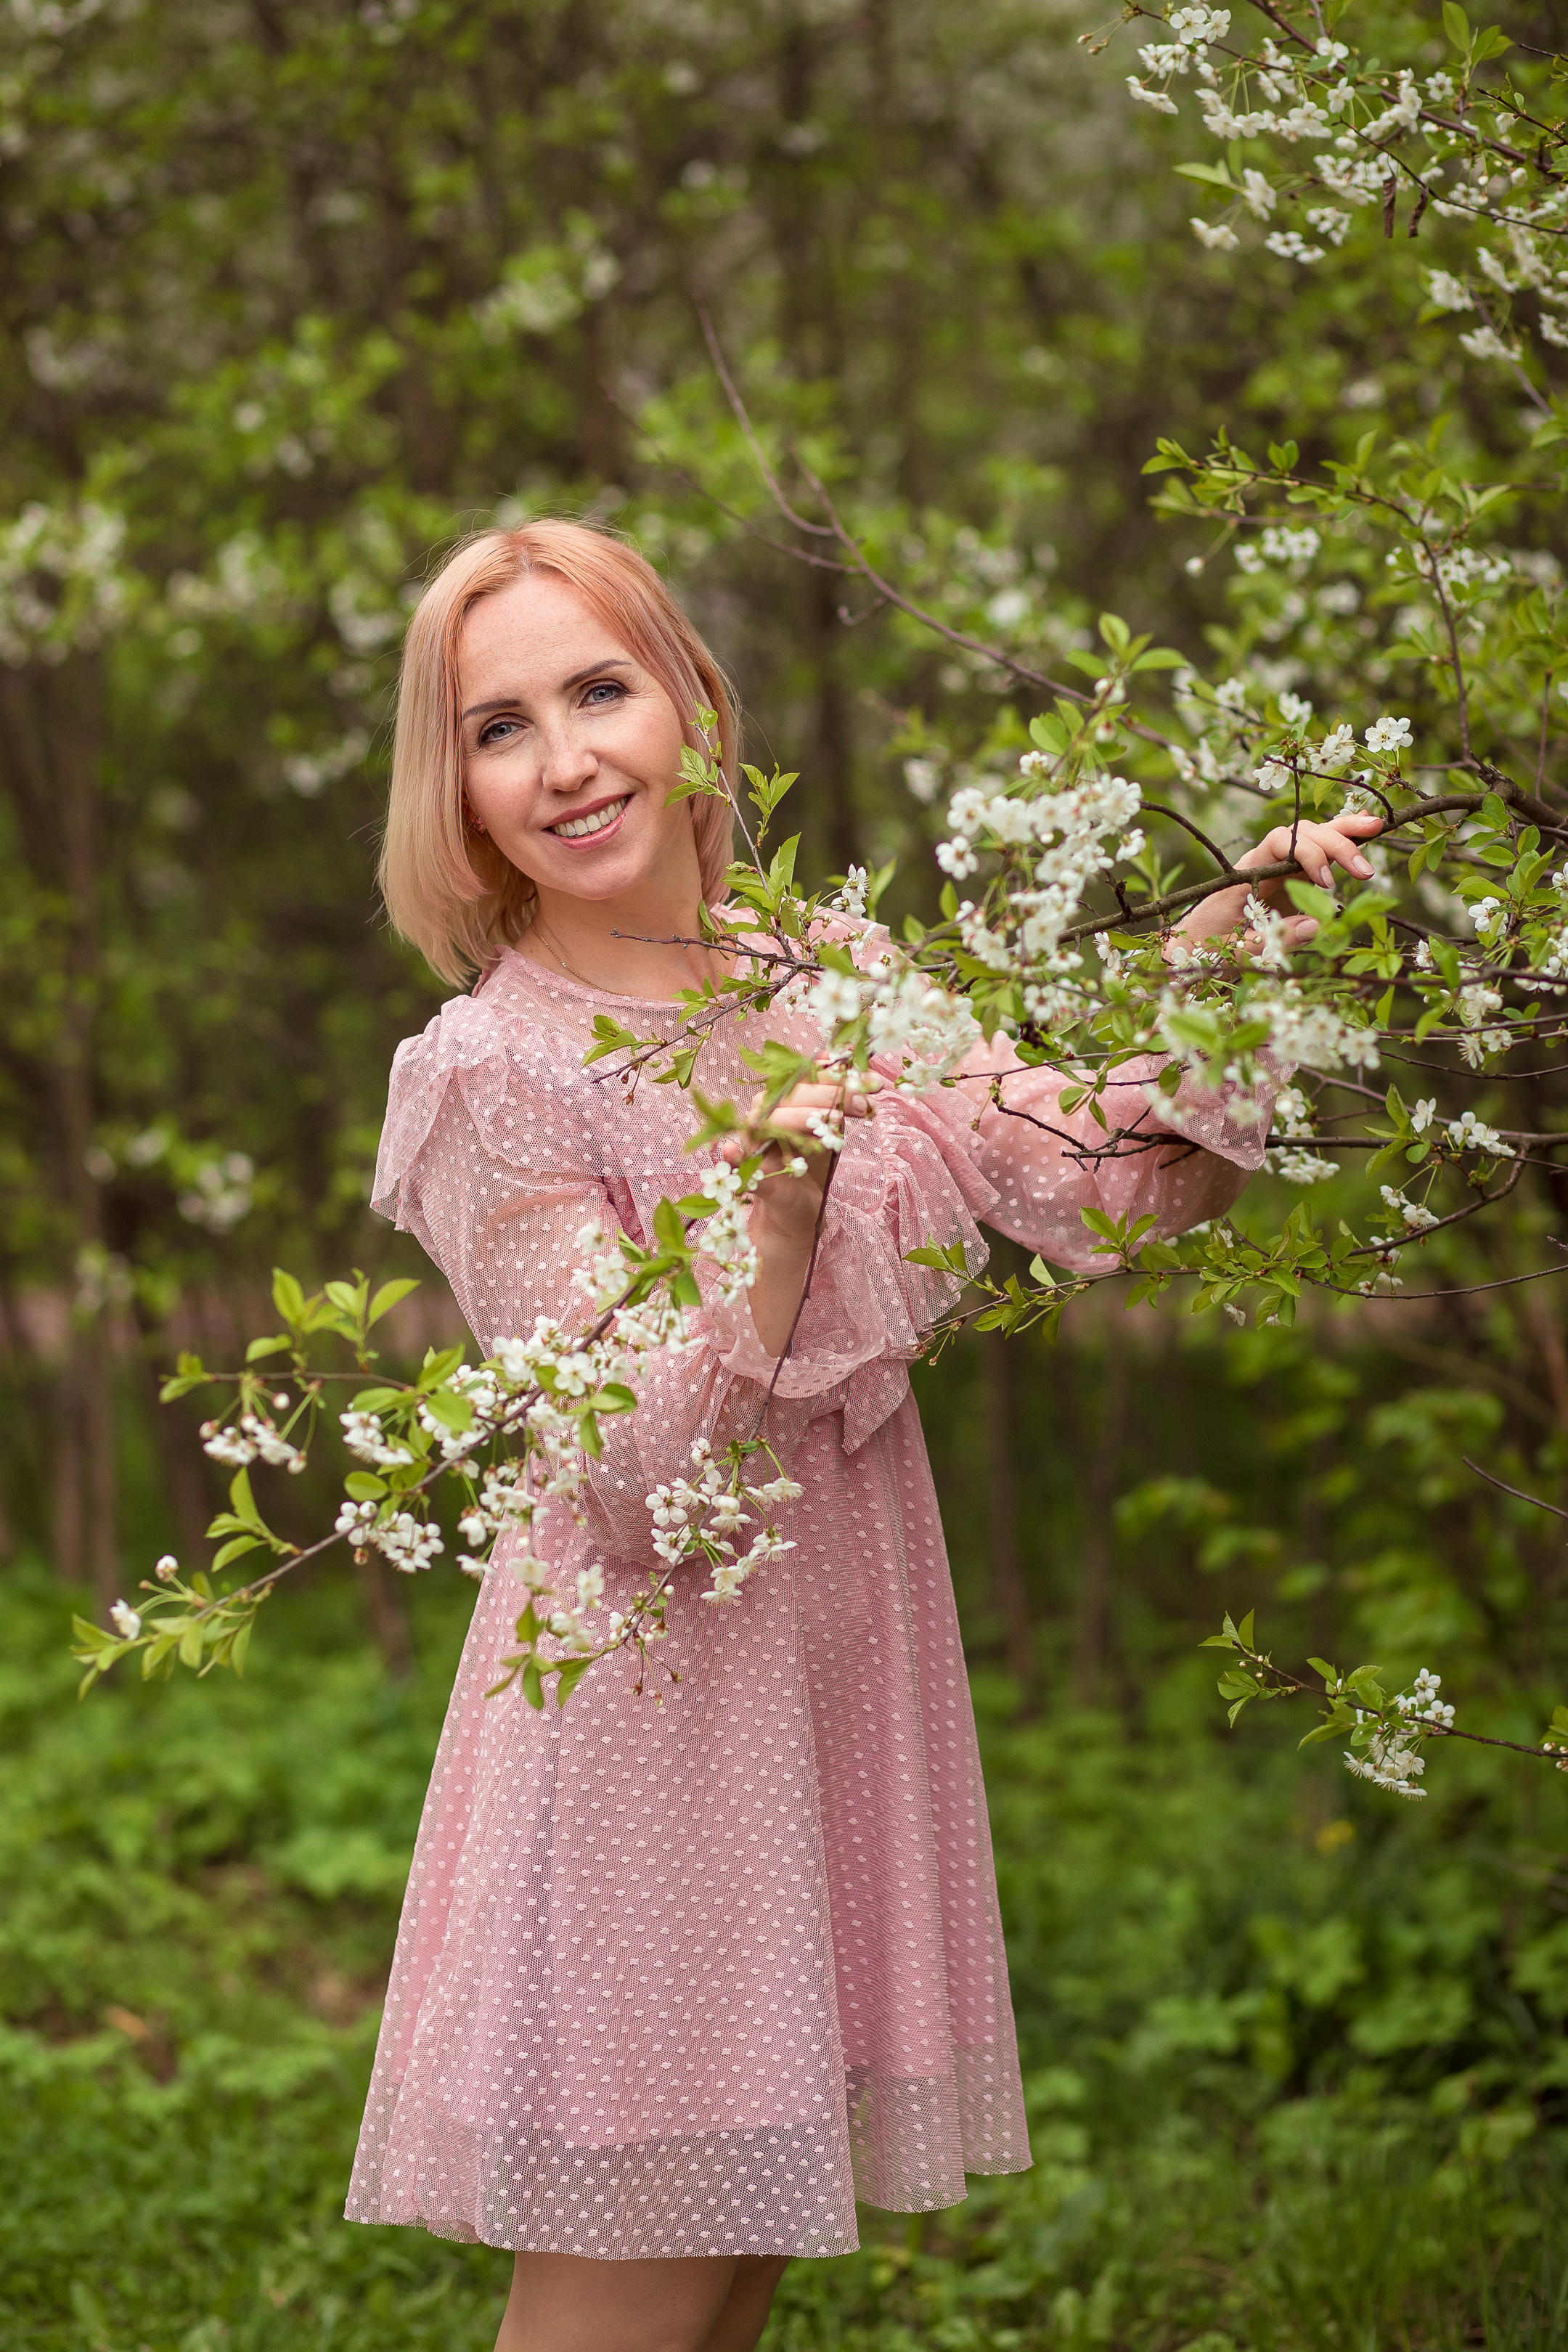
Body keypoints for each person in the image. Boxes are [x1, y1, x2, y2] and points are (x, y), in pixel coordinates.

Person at [346, 519, 1384, 2352]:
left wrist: (1239, 951)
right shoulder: (490, 1074)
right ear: (465, 795)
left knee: (726, 2289)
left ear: (695, 706)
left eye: (600, 688)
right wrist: (770, 1233)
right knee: (625, 2300)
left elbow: (1116, 1193)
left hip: (836, 1680)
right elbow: (630, 1473)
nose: (569, 757)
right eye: (501, 727)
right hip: (661, 1726)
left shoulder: (824, 961)